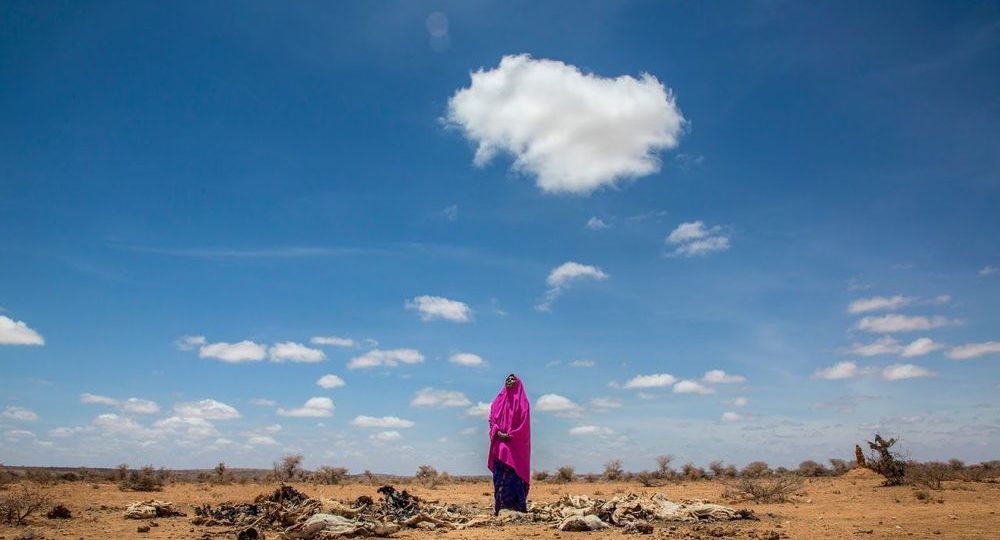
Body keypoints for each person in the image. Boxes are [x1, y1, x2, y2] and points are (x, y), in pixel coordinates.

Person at [488, 373, 531, 515]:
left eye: (513, 379)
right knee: (500, 476)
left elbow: (524, 425)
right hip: (500, 442)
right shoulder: (497, 401)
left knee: (515, 475)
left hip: (516, 445)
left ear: (518, 383)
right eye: (507, 379)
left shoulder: (523, 403)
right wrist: (498, 433)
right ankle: (500, 507)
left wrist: (512, 435)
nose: (509, 381)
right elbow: (491, 421)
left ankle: (517, 507)